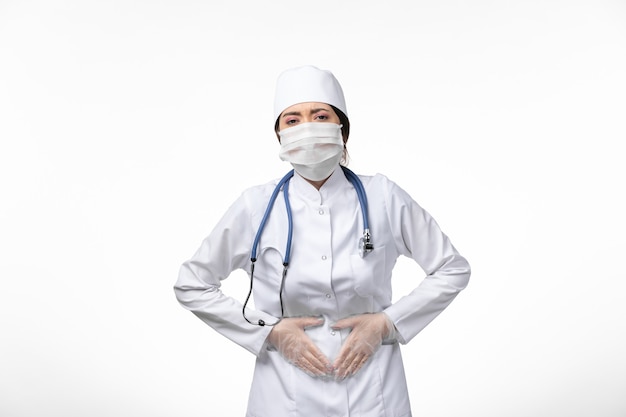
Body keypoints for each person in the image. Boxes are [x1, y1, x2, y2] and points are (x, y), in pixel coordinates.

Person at [174, 65, 471, 417]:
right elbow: (192, 284)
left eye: (320, 115)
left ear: (341, 129)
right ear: (280, 135)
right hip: (284, 391)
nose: (308, 127)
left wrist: (387, 323)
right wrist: (269, 332)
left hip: (375, 388)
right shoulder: (255, 206)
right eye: (293, 120)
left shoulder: (383, 197)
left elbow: (452, 269)